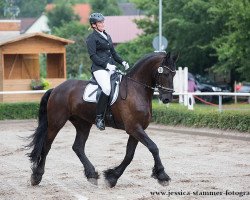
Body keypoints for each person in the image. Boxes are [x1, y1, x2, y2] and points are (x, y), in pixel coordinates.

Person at [86, 13, 129, 131]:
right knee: (106, 88)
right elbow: (93, 56)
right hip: (99, 69)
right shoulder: (91, 38)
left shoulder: (107, 36)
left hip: (112, 67)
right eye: (100, 22)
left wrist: (122, 62)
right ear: (94, 25)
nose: (103, 24)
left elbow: (114, 53)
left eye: (103, 22)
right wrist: (106, 65)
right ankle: (99, 117)